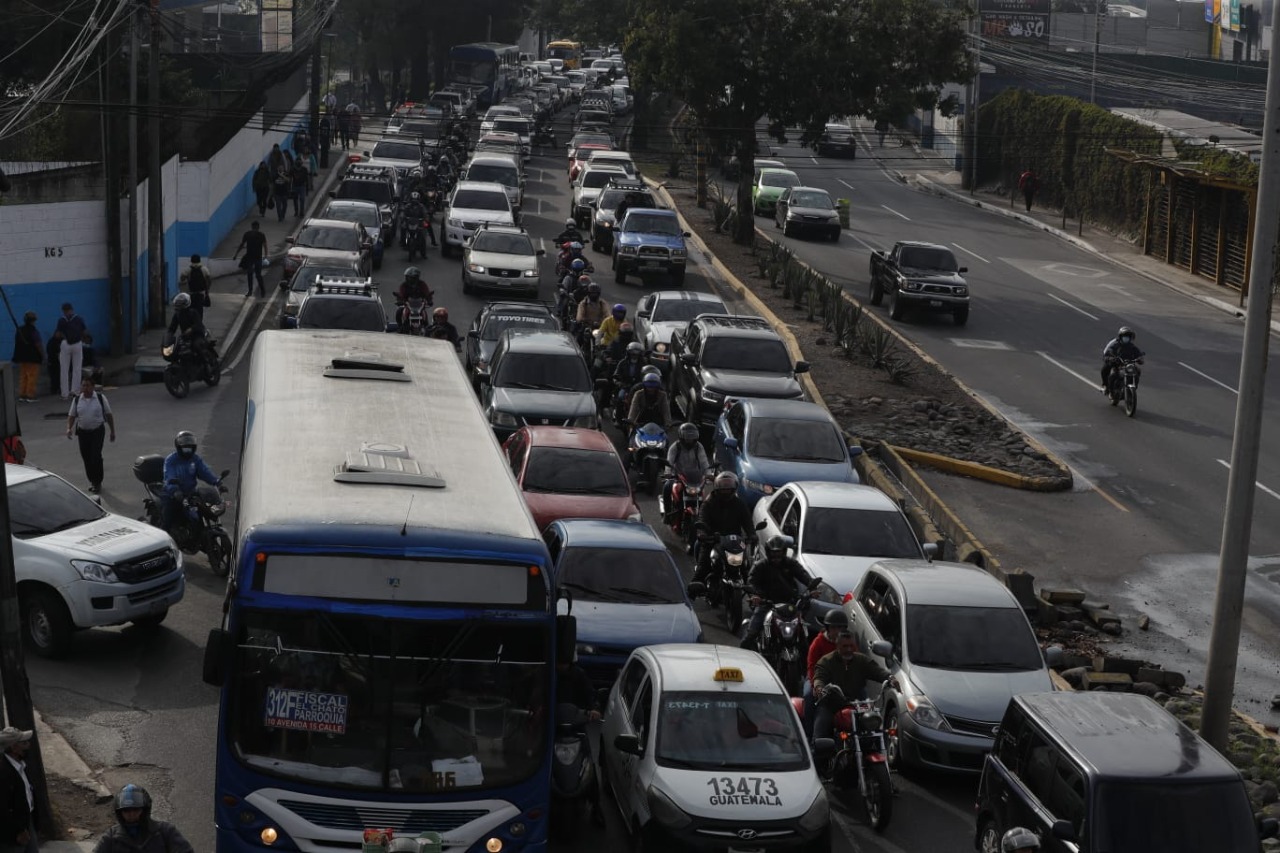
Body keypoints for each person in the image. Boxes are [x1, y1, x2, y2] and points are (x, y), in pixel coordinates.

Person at [811, 632, 892, 744]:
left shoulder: (861, 660)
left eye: (851, 646)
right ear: (837, 646)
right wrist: (819, 688)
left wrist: (891, 678)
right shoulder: (827, 661)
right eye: (845, 646)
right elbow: (819, 676)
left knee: (876, 730)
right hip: (832, 704)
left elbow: (878, 672)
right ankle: (817, 757)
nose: (849, 649)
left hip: (856, 705)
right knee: (820, 736)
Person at [741, 534, 818, 649]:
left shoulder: (791, 564)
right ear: (768, 552)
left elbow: (803, 575)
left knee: (803, 637)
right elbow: (751, 582)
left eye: (779, 553)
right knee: (751, 634)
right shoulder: (760, 566)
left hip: (789, 606)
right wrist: (755, 596)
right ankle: (744, 660)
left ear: (784, 552)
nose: (776, 556)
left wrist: (812, 587)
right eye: (773, 553)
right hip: (766, 604)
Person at [689, 471, 755, 588]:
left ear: (734, 488)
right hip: (713, 540)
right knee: (703, 565)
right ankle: (695, 587)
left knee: (747, 567)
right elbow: (702, 519)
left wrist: (752, 534)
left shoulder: (740, 504)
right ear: (717, 488)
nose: (725, 490)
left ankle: (753, 592)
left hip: (735, 542)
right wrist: (703, 533)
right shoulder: (708, 504)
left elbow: (747, 522)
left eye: (728, 488)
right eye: (723, 487)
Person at [92, 784, 194, 853]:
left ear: (144, 809)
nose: (131, 814)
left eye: (136, 810)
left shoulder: (166, 831)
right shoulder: (111, 837)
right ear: (119, 812)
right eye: (126, 810)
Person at [161, 431, 223, 534]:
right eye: (185, 448)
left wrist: (216, 482)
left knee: (203, 510)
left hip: (190, 492)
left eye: (190, 448)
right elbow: (169, 476)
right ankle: (164, 539)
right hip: (172, 494)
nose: (187, 451)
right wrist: (175, 490)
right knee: (168, 519)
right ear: (178, 447)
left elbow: (205, 471)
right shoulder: (171, 460)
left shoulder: (195, 459)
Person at [801, 610, 849, 735]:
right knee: (808, 696)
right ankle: (808, 735)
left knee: (863, 696)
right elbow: (811, 667)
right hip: (819, 678)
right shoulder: (818, 643)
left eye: (841, 627)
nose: (838, 631)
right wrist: (816, 686)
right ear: (828, 628)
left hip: (840, 679)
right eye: (834, 628)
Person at [65, 375, 114, 494]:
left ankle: (98, 481)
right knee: (86, 457)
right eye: (83, 385)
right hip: (83, 433)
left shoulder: (100, 398)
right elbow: (71, 416)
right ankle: (92, 480)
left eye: (87, 385)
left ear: (93, 387)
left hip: (97, 431)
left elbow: (108, 414)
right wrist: (69, 428)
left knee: (95, 456)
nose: (85, 388)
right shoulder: (77, 400)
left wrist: (112, 431)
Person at [661, 422, 710, 522]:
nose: (689, 441)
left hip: (695, 476)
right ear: (681, 437)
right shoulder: (675, 447)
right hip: (678, 476)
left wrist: (708, 475)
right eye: (687, 438)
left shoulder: (699, 447)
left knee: (704, 496)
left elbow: (704, 462)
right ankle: (667, 513)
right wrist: (668, 473)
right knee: (667, 487)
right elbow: (669, 462)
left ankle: (703, 518)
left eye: (692, 438)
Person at [0, 727, 38, 853]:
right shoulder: (4, 772)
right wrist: (18, 831)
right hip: (13, 831)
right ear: (13, 748)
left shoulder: (21, 765)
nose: (28, 745)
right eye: (24, 743)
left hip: (27, 820)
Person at [53, 302, 87, 401]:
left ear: (63, 310)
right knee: (77, 368)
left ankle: (65, 394)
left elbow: (58, 334)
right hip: (77, 344)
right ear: (72, 309)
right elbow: (84, 332)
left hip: (65, 344)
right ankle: (75, 392)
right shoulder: (79, 319)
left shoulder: (61, 320)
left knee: (64, 369)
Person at [1101, 325, 1144, 394]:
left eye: (1128, 336)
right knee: (1106, 371)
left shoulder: (1132, 347)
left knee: (1137, 371)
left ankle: (1133, 388)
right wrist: (1111, 358)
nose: (1126, 338)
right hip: (1117, 365)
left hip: (1128, 365)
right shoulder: (1115, 345)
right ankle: (1107, 387)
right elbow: (1108, 352)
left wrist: (1140, 359)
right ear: (1120, 337)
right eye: (1125, 336)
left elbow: (1139, 354)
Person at [11, 311, 42, 403]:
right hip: (32, 357)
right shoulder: (33, 331)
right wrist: (43, 355)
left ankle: (23, 394)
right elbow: (38, 344)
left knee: (23, 376)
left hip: (22, 357)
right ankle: (30, 395)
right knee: (32, 376)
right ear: (33, 321)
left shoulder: (19, 330)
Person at [233, 221, 269, 298]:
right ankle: (258, 291)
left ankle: (253, 291)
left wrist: (236, 254)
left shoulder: (248, 234)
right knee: (255, 275)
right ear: (258, 227)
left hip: (253, 258)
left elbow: (242, 245)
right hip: (255, 258)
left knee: (253, 275)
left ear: (252, 227)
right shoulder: (260, 235)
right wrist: (265, 256)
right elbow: (265, 246)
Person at [395, 267, 434, 331]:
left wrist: (429, 300)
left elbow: (427, 293)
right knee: (399, 311)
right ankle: (400, 326)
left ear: (416, 278)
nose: (408, 279)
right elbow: (401, 294)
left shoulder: (422, 284)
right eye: (407, 277)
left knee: (425, 315)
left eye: (410, 277)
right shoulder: (404, 285)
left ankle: (427, 330)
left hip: (419, 305)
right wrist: (400, 300)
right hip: (408, 305)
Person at [179, 254, 211, 320]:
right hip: (201, 292)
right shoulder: (204, 269)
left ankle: (192, 321)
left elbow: (182, 278)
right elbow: (209, 280)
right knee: (200, 309)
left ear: (191, 260)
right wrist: (207, 290)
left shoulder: (188, 269)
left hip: (191, 292)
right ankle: (199, 323)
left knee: (191, 308)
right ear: (199, 260)